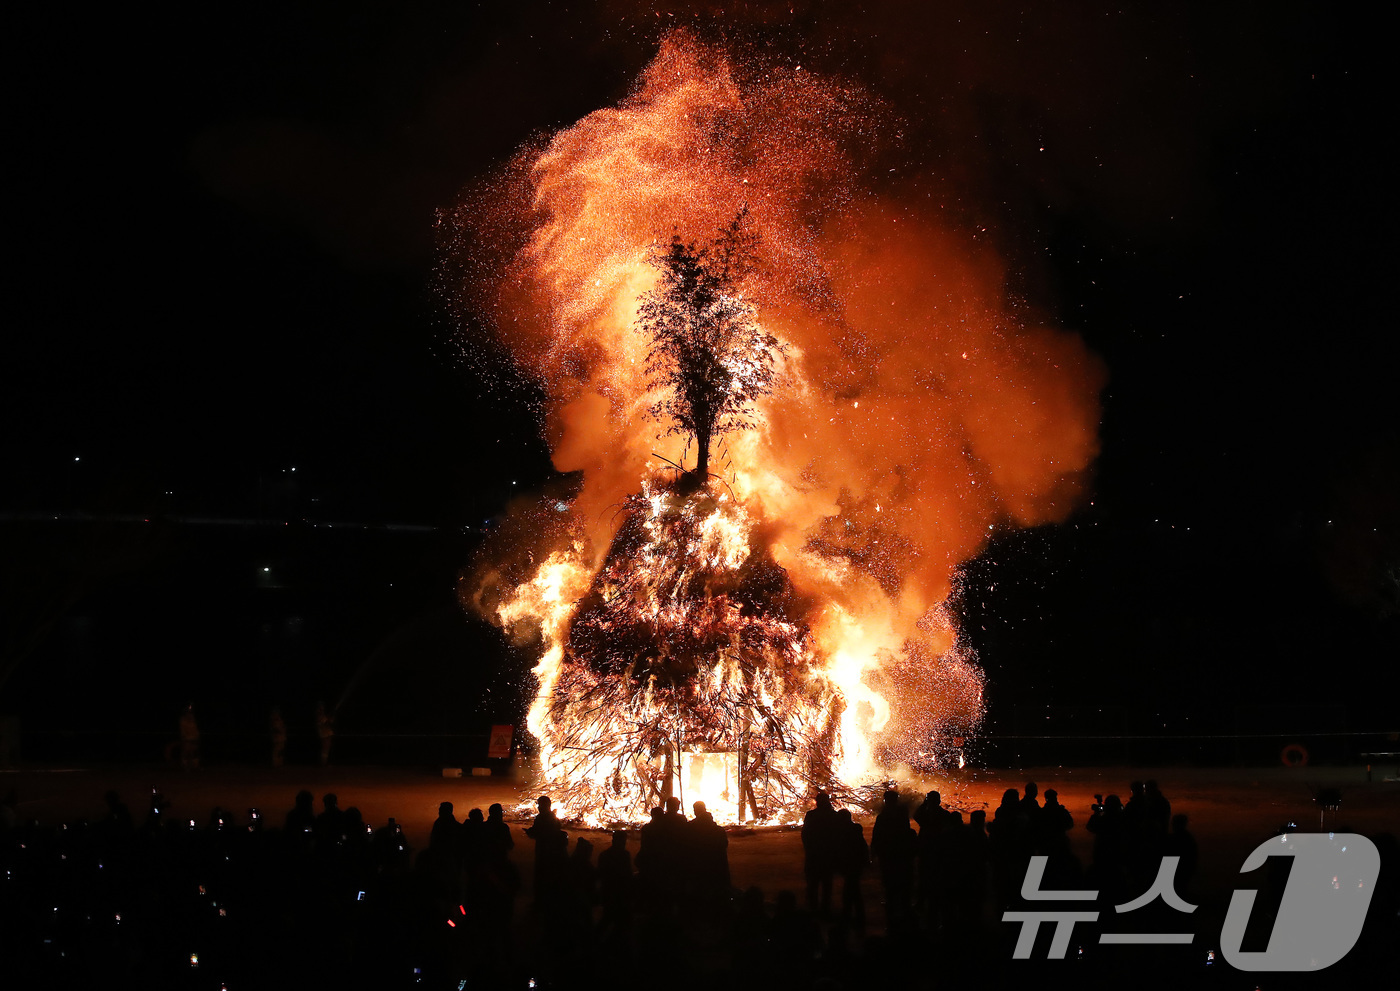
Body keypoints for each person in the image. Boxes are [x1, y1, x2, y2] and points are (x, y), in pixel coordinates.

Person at [801, 791, 840, 915]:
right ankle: (825, 909)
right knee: (826, 884)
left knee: (813, 884)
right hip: (828, 855)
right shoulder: (833, 815)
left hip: (814, 855)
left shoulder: (811, 815)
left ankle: (813, 909)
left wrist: (809, 848)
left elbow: (805, 834)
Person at [178, 702, 200, 771]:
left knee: (194, 753)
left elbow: (195, 729)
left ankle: (195, 766)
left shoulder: (193, 720)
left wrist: (197, 736)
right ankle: (185, 766)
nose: (190, 714)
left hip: (194, 738)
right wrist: (185, 738)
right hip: (187, 739)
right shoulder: (183, 720)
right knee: (186, 753)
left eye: (191, 713)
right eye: (188, 713)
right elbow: (183, 730)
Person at [314, 701, 335, 766]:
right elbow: (325, 722)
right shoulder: (319, 714)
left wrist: (330, 719)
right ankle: (323, 763)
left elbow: (328, 722)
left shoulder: (322, 714)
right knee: (325, 748)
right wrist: (330, 719)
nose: (322, 708)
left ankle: (324, 763)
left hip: (326, 733)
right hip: (324, 733)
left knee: (326, 748)